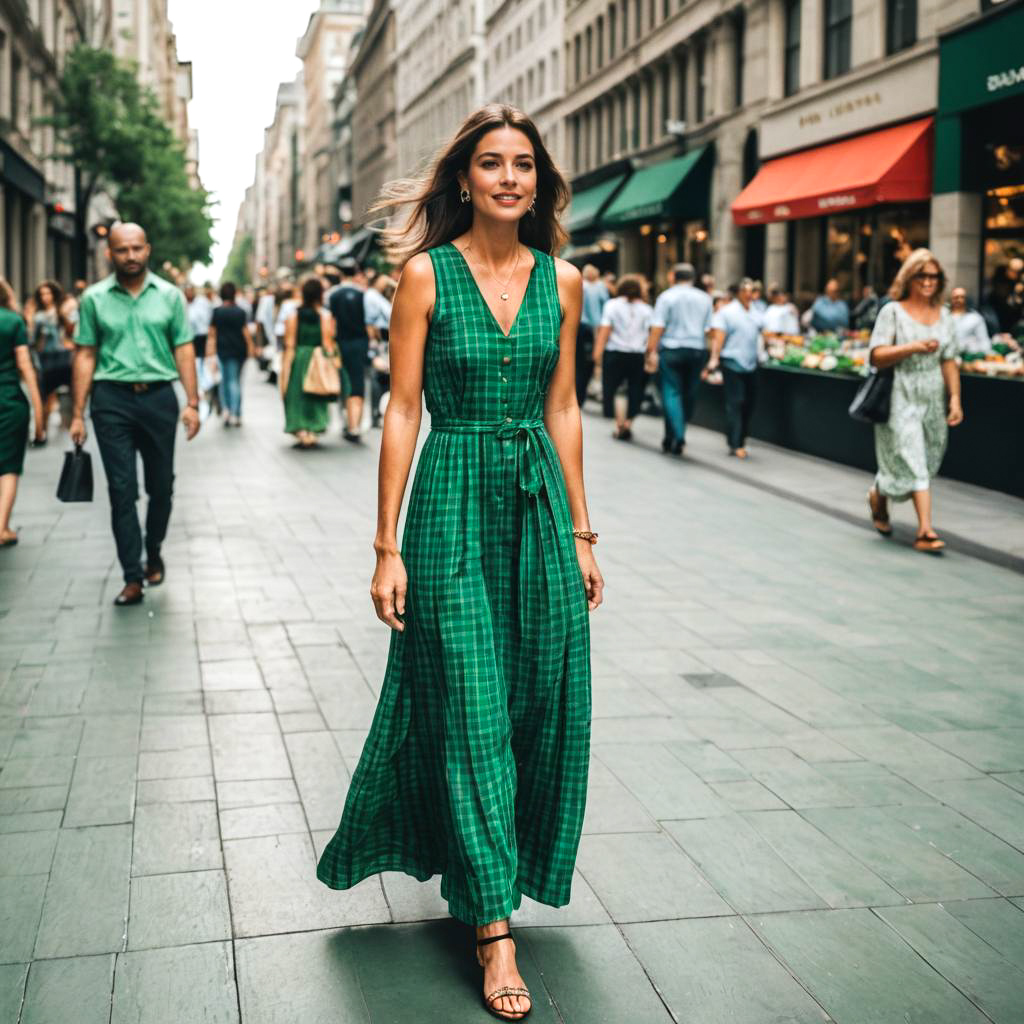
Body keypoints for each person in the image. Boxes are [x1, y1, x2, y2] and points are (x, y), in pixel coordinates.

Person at [315, 103, 602, 1023]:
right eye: (491, 164)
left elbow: (563, 410)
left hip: (539, 509)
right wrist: (384, 545)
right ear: (465, 180)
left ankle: (494, 864)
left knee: (538, 702)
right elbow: (401, 410)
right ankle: (492, 925)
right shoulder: (424, 277)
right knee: (474, 702)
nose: (509, 178)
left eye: (524, 165)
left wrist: (584, 533)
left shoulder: (562, 281)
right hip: (448, 506)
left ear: (540, 182)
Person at [70, 223, 200, 606]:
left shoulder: (170, 296)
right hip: (111, 400)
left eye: (136, 248)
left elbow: (184, 349)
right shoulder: (94, 298)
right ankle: (132, 575)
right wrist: (77, 413)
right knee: (121, 490)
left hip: (159, 398)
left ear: (148, 249)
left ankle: (153, 549)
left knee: (161, 487)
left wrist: (192, 402)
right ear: (110, 254)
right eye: (122, 250)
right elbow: (85, 354)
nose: (130, 256)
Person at [866, 249, 962, 553]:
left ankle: (878, 493)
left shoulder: (945, 315)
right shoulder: (892, 311)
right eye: (922, 274)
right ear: (909, 277)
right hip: (900, 392)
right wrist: (912, 347)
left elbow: (949, 361)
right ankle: (925, 530)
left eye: (934, 276)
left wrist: (955, 398)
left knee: (927, 456)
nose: (928, 282)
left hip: (932, 394)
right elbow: (876, 356)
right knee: (913, 459)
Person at [644, 262, 712, 455]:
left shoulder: (666, 297)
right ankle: (672, 435)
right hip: (697, 350)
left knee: (671, 392)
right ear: (693, 278)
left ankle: (677, 433)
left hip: (672, 350)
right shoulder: (704, 298)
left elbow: (658, 326)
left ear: (674, 276)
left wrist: (650, 350)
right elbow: (710, 329)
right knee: (689, 393)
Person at [0, 278, 45, 547]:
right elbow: (26, 368)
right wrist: (39, 413)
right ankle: (2, 527)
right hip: (8, 401)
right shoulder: (13, 321)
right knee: (8, 467)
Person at [705, 278, 763, 459]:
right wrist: (714, 358)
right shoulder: (726, 313)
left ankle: (741, 439)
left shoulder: (757, 312)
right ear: (738, 292)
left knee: (749, 404)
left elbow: (763, 334)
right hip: (732, 362)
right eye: (744, 290)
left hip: (751, 363)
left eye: (750, 290)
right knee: (735, 402)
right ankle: (735, 442)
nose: (748, 293)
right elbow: (718, 337)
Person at [592, 274, 652, 441]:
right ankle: (628, 423)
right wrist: (650, 354)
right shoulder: (647, 309)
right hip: (637, 355)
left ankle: (618, 424)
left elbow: (605, 331)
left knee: (614, 390)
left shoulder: (612, 305)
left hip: (615, 353)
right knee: (635, 390)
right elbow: (650, 334)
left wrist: (597, 353)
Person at [281, 276, 337, 448]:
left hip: (299, 358)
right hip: (317, 359)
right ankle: (313, 430)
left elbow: (289, 344)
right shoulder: (325, 316)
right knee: (315, 393)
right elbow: (328, 343)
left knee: (297, 395)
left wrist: (285, 369)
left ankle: (301, 430)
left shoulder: (293, 316)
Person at [328, 259, 371, 442]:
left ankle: (347, 422)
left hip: (340, 343)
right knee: (358, 382)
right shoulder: (363, 295)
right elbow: (369, 323)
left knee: (343, 383)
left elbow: (331, 323)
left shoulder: (333, 295)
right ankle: (356, 426)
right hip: (360, 343)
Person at [207, 282, 254, 426]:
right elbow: (245, 332)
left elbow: (212, 334)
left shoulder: (217, 312)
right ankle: (236, 412)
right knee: (235, 381)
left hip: (222, 350)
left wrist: (210, 354)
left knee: (224, 381)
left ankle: (227, 410)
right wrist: (251, 348)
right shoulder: (240, 312)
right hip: (239, 351)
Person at [30, 280, 75, 432]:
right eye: (42, 294)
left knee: (70, 393)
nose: (45, 297)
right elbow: (33, 341)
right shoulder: (38, 316)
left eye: (48, 293)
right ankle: (42, 428)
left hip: (63, 356)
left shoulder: (63, 310)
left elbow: (76, 328)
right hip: (46, 358)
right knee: (45, 395)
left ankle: (70, 424)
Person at [576, 263, 608, 407]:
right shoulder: (600, 287)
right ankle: (586, 391)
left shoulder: (580, 284)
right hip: (594, 328)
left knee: (578, 363)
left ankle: (579, 394)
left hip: (579, 327)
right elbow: (604, 307)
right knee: (592, 361)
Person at [949, 286, 992, 356]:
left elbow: (984, 341)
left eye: (962, 297)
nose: (958, 300)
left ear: (966, 299)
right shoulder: (944, 317)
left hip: (969, 357)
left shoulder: (975, 318)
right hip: (948, 356)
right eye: (956, 297)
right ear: (951, 299)